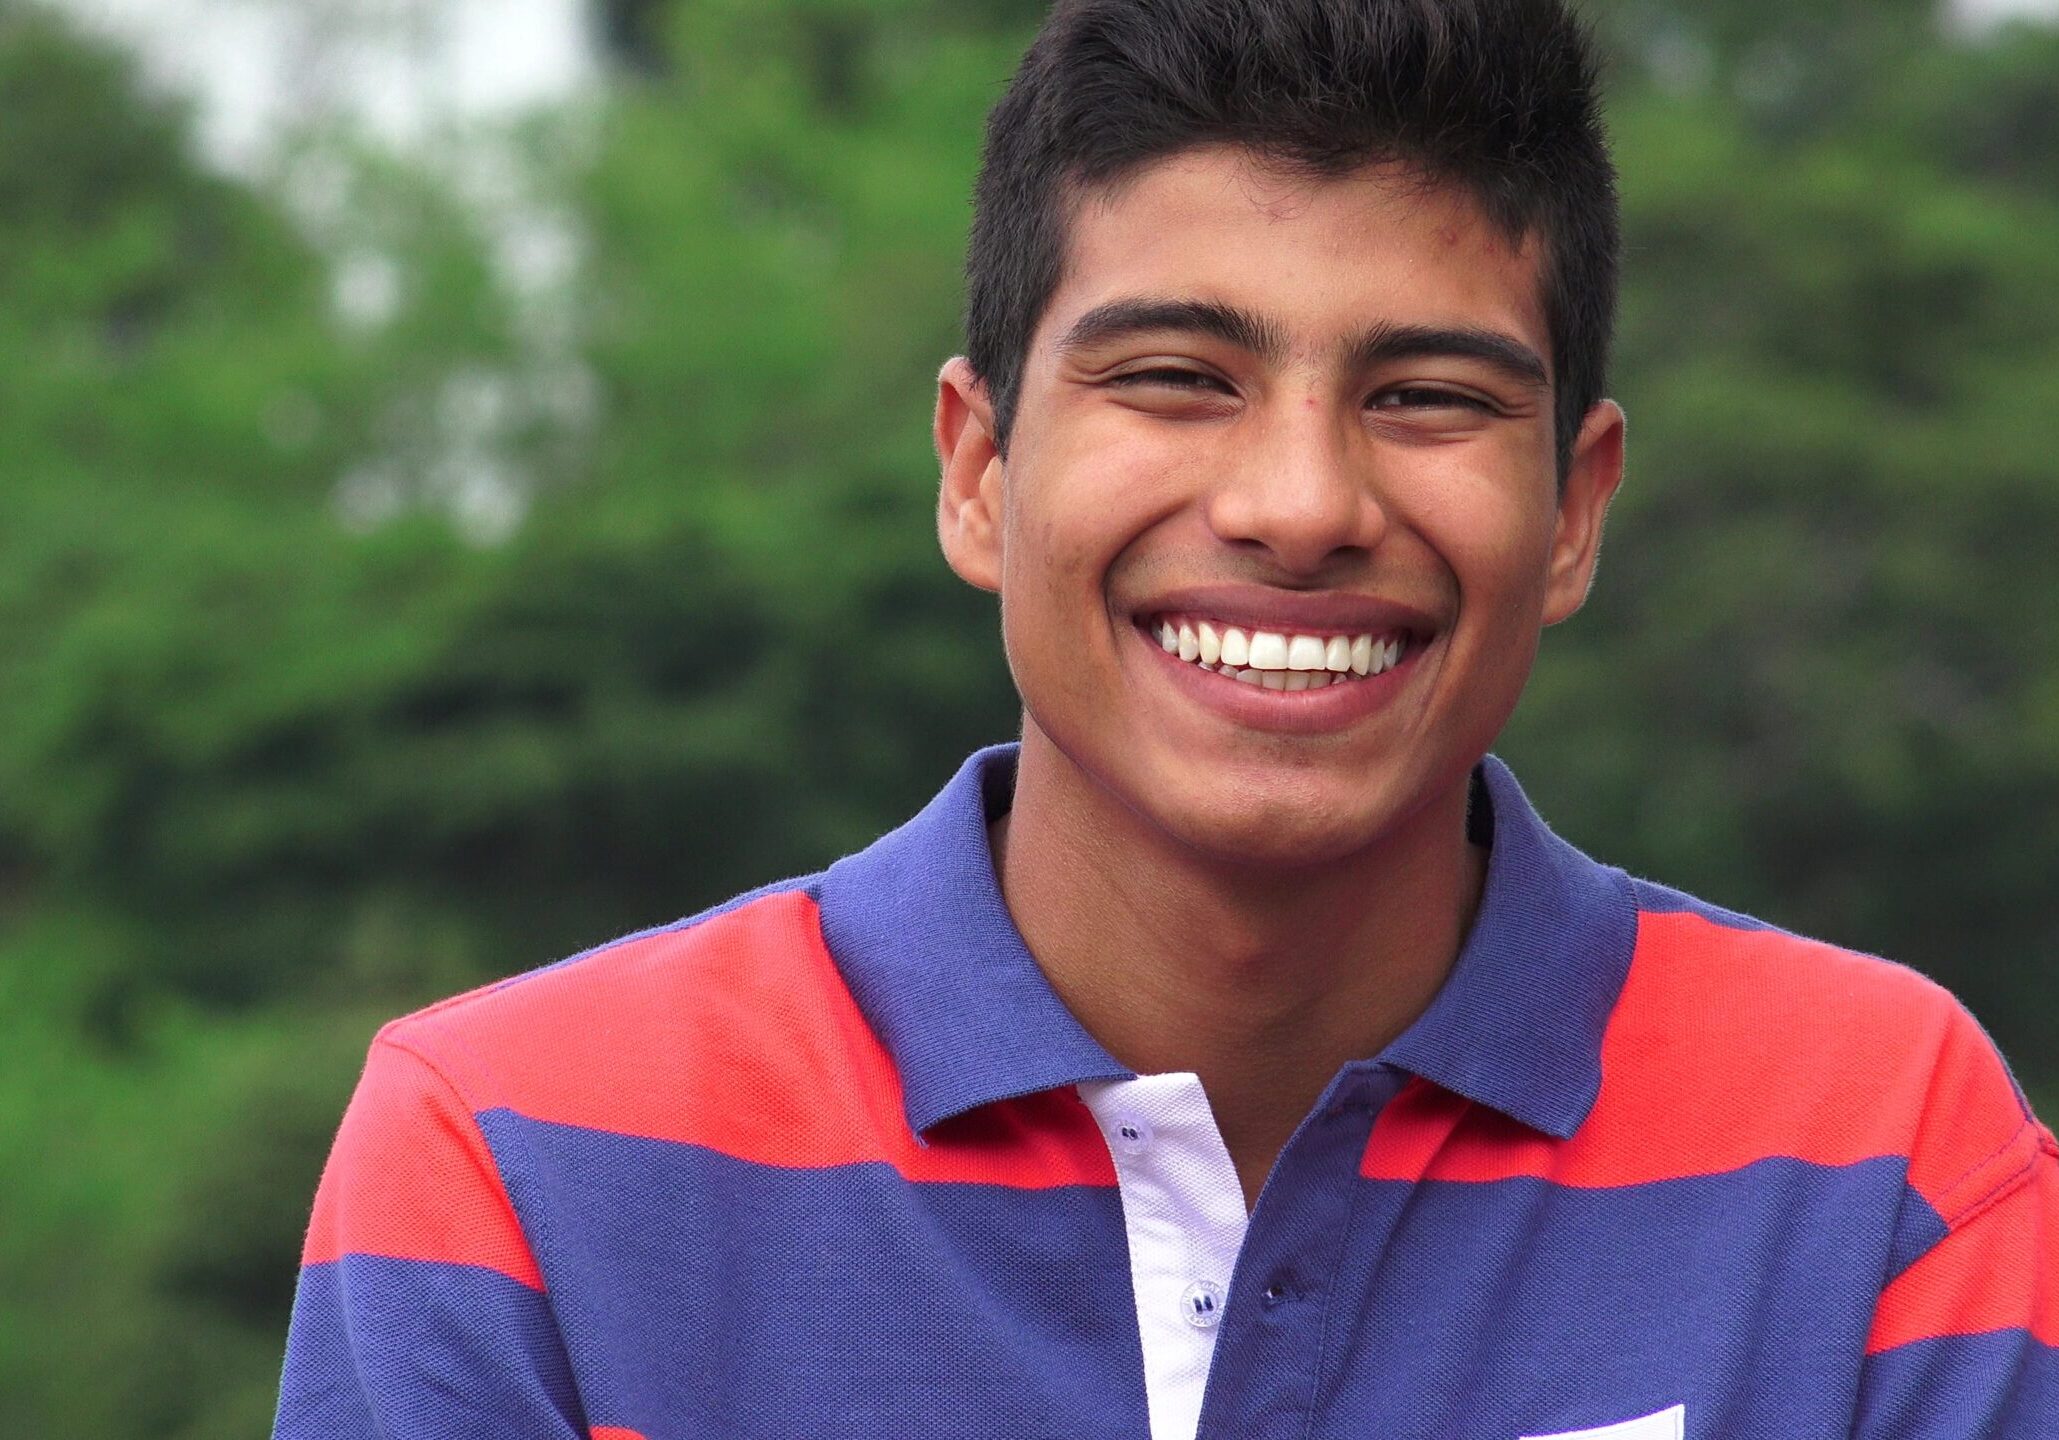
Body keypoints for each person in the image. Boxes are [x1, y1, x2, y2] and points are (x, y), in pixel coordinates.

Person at [272, 1, 2055, 1436]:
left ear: (1575, 509)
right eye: (1175, 380)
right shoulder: (515, 1158)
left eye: (1428, 394)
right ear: (978, 472)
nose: (1300, 503)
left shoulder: (1886, 1155)